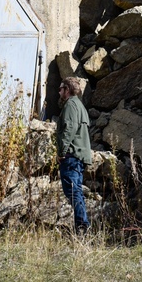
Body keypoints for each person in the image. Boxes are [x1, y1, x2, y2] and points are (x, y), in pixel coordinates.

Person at [56, 77, 91, 234]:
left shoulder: (70, 105)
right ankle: (82, 225)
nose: (59, 91)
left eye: (60, 88)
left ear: (67, 89)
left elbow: (69, 129)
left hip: (71, 155)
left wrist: (61, 151)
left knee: (72, 191)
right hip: (80, 155)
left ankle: (82, 226)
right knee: (76, 190)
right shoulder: (81, 106)